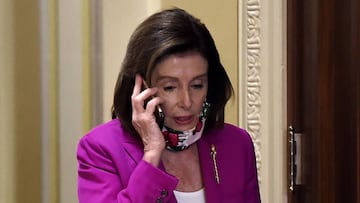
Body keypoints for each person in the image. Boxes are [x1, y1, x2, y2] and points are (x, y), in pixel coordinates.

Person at [77, 8, 261, 203]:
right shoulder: (100, 148)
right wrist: (151, 155)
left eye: (197, 85)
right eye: (170, 87)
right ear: (142, 86)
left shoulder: (237, 143)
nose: (187, 101)